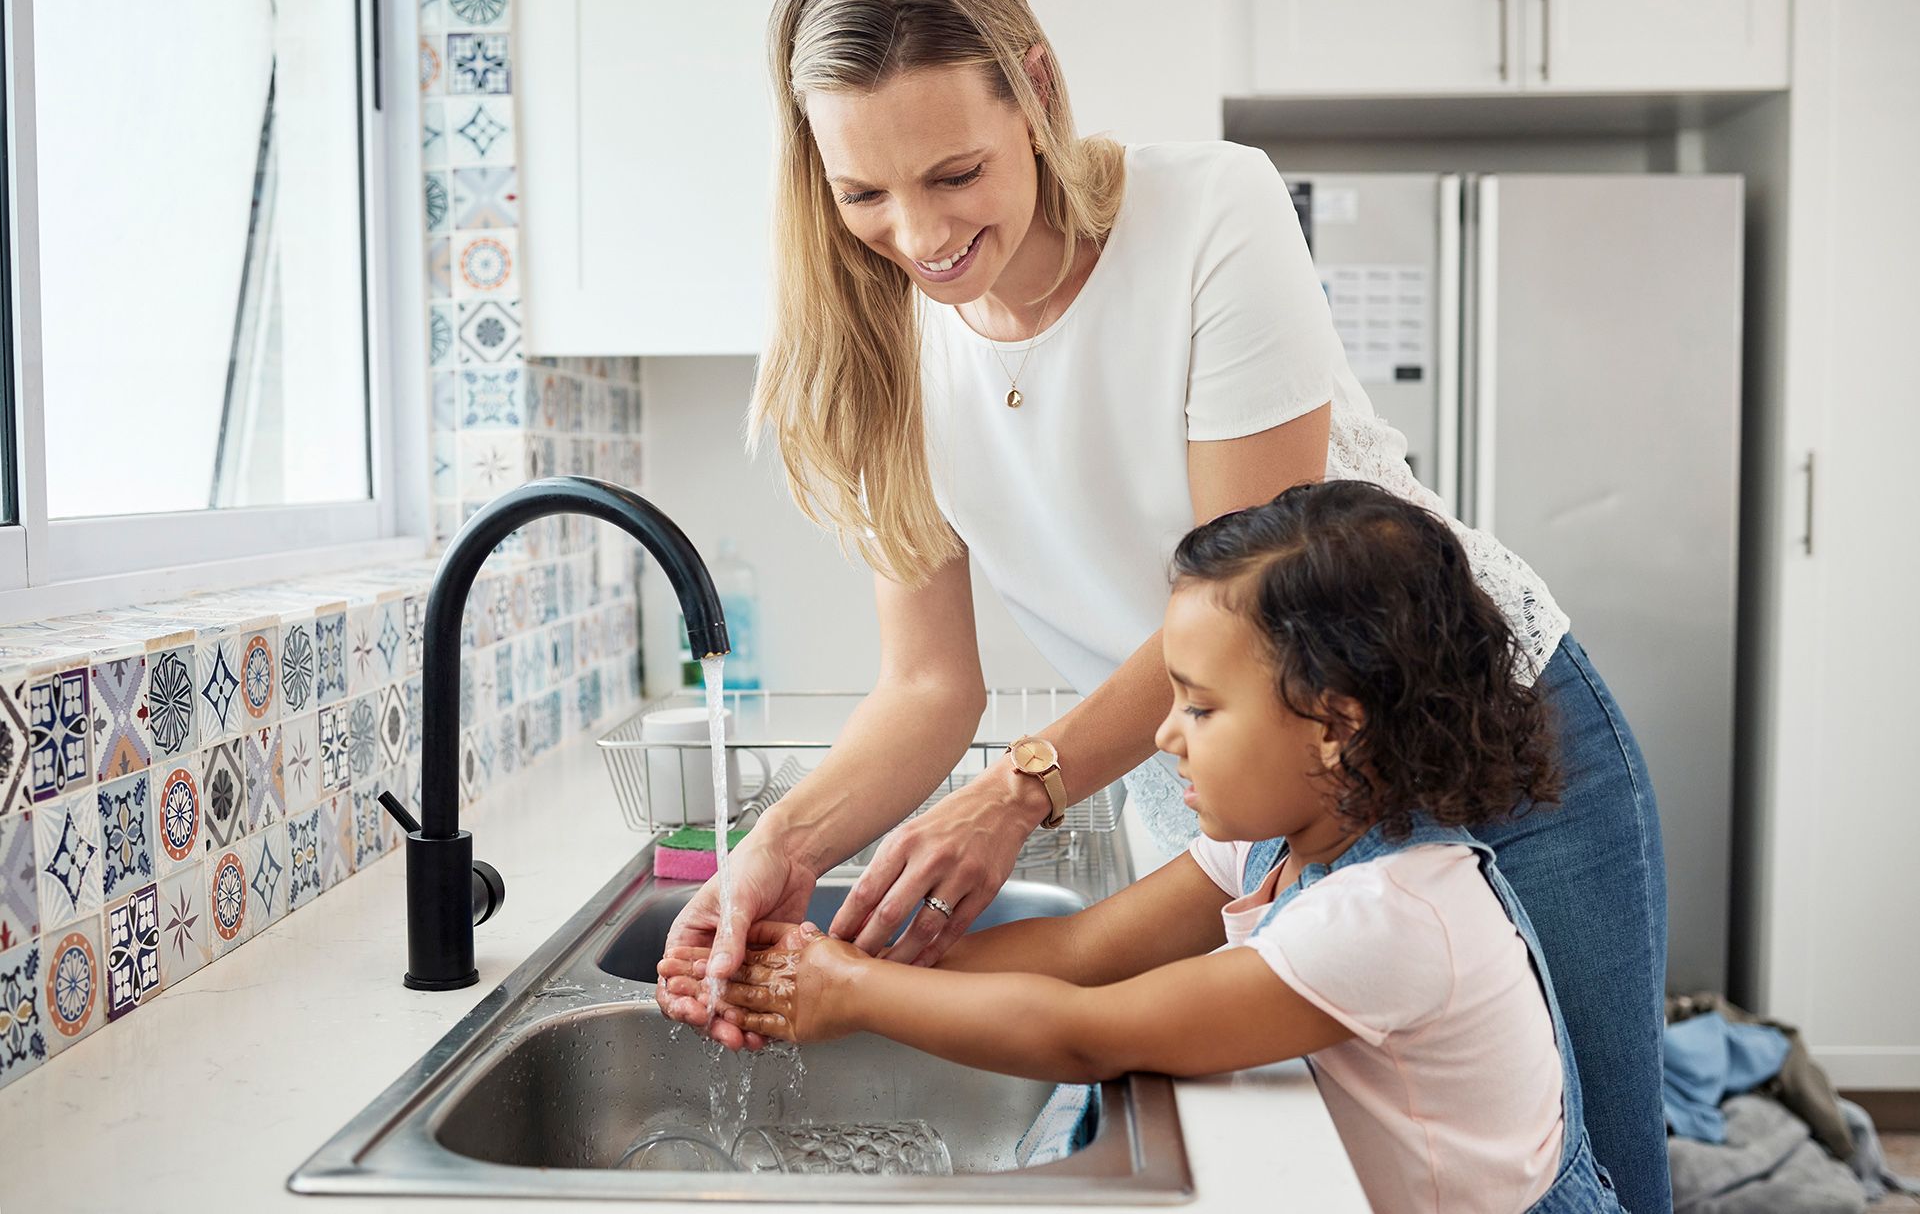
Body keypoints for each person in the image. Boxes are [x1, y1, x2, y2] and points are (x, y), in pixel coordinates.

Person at [660, 0, 1668, 1207]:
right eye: (863, 190)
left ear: (1034, 89)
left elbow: (1257, 619)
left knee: (1600, 1168)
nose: (919, 236)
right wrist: (777, 857)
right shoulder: (880, 343)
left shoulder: (1210, 213)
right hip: (1258, 792)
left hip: (1487, 726)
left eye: (957, 172)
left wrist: (1025, 788)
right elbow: (927, 687)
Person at [664, 483, 1626, 1213]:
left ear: (1334, 727)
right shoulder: (1285, 844)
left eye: (1201, 708)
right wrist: (825, 960)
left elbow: (1092, 1029)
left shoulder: (1389, 915)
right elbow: (1081, 953)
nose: (1166, 736)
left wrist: (854, 996)